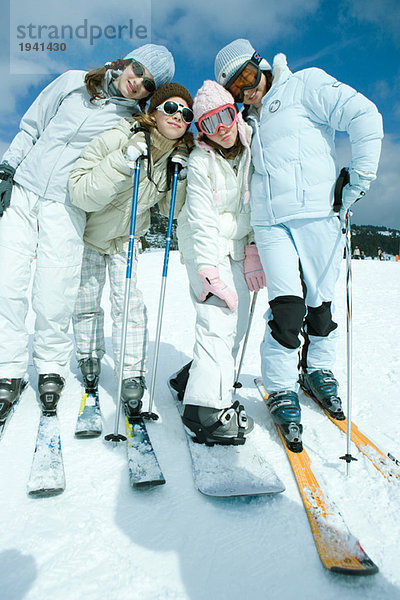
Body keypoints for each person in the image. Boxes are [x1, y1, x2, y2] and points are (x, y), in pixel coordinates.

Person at [214, 39, 383, 448]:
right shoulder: (245, 125)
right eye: (236, 90)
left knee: (321, 307)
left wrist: (359, 176)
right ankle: (282, 386)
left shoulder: (306, 85)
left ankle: (318, 370)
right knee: (286, 310)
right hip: (271, 225)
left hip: (318, 216)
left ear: (261, 66)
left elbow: (364, 115)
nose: (247, 90)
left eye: (249, 78)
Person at [0, 44, 175, 420]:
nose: (139, 83)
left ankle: (50, 366)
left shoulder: (130, 122)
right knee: (7, 282)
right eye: (139, 70)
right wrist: (7, 168)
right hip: (25, 190)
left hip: (67, 205)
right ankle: (8, 370)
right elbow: (32, 127)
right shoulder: (71, 84)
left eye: (149, 84)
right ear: (126, 61)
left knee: (55, 289)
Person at [69, 83, 193, 417]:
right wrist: (124, 159)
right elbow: (79, 189)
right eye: (171, 107)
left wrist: (179, 176)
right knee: (86, 300)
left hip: (127, 238)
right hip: (90, 235)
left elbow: (171, 211)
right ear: (153, 111)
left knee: (130, 303)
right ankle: (89, 356)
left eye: (186, 113)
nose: (179, 116)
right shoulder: (120, 136)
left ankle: (131, 374)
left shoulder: (176, 159)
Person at [170, 80, 266, 445]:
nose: (221, 128)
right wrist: (209, 273)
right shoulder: (199, 163)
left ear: (235, 112)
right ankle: (204, 411)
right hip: (204, 251)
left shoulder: (253, 151)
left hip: (238, 249)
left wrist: (253, 246)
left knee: (237, 327)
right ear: (202, 130)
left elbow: (259, 204)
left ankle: (192, 377)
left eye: (224, 116)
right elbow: (203, 219)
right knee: (218, 322)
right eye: (209, 123)